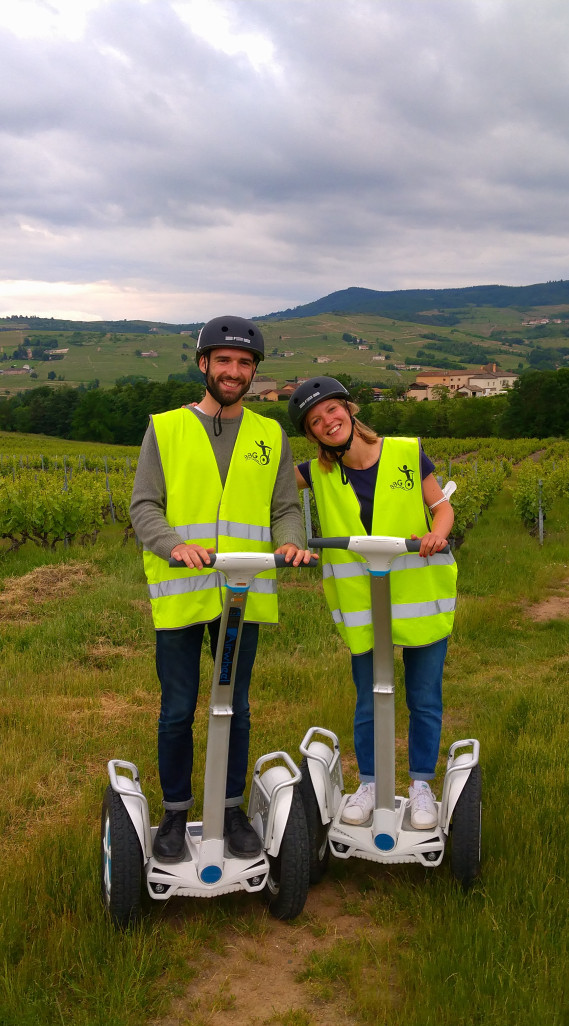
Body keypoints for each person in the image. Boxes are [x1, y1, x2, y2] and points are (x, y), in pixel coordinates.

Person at [129, 315, 312, 863]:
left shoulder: (268, 434)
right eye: (225, 361)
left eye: (245, 364)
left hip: (243, 591)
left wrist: (291, 543)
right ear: (204, 363)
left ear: (255, 372)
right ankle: (176, 813)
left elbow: (284, 509)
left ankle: (231, 812)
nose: (235, 372)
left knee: (233, 704)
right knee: (178, 708)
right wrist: (172, 546)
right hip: (183, 589)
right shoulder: (164, 428)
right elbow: (145, 506)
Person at [288, 376, 456, 831]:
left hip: (419, 596)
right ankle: (369, 781)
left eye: (332, 411)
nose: (328, 422)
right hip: (364, 604)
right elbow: (263, 487)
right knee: (370, 698)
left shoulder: (405, 452)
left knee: (423, 697)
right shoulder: (313, 472)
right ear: (311, 433)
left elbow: (441, 506)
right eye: (315, 421)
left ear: (349, 408)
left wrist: (438, 532)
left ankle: (421, 784)